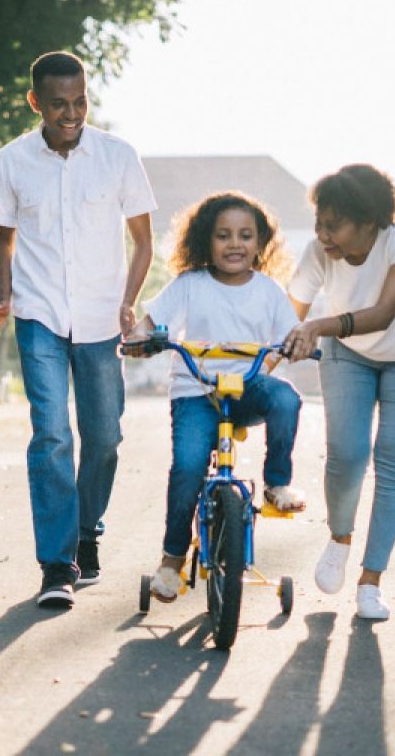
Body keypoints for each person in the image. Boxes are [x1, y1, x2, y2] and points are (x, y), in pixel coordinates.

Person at [0, 51, 156, 609]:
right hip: (38, 317)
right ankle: (57, 565)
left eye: (80, 101)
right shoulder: (13, 160)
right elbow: (4, 241)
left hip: (103, 318)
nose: (72, 112)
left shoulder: (117, 156)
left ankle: (86, 533)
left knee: (104, 438)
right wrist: (5, 299)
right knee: (52, 435)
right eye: (58, 103)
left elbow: (143, 241)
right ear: (36, 102)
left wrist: (129, 302)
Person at [283, 164, 395, 621]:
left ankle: (371, 582)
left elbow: (385, 312)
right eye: (319, 222)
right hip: (348, 354)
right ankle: (339, 538)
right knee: (347, 454)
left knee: (394, 460)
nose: (322, 234)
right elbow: (286, 315)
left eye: (333, 225)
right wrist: (265, 358)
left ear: (369, 221)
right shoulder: (320, 252)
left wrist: (317, 325)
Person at [125, 191, 305, 603]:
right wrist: (140, 338)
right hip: (196, 391)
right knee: (188, 467)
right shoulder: (190, 285)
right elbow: (150, 322)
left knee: (287, 400)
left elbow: (289, 335)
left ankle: (277, 484)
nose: (235, 244)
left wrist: (296, 345)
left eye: (245, 235)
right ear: (207, 240)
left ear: (260, 244)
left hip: (246, 388)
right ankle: (171, 560)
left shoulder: (269, 291)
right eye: (223, 235)